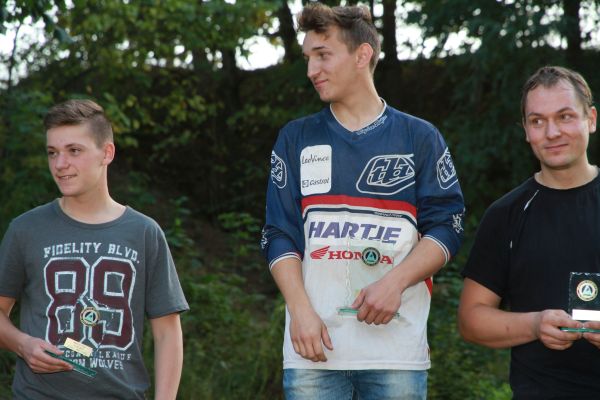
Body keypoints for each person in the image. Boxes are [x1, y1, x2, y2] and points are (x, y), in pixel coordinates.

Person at [260, 3, 465, 399]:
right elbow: (278, 233)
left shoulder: (419, 137)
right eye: (307, 58)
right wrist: (299, 310)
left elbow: (448, 226)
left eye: (323, 55)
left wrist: (395, 282)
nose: (311, 70)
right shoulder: (296, 138)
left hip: (396, 354)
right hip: (313, 353)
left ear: (362, 55)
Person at [0, 99, 189, 399]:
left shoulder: (144, 232)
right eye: (52, 152)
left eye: (74, 151)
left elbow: (167, 332)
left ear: (107, 153)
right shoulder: (26, 229)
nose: (60, 164)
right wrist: (22, 344)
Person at [459, 65, 600, 398]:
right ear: (526, 130)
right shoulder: (505, 215)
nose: (552, 132)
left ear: (591, 119)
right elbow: (471, 319)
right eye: (537, 121)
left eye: (565, 116)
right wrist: (535, 325)